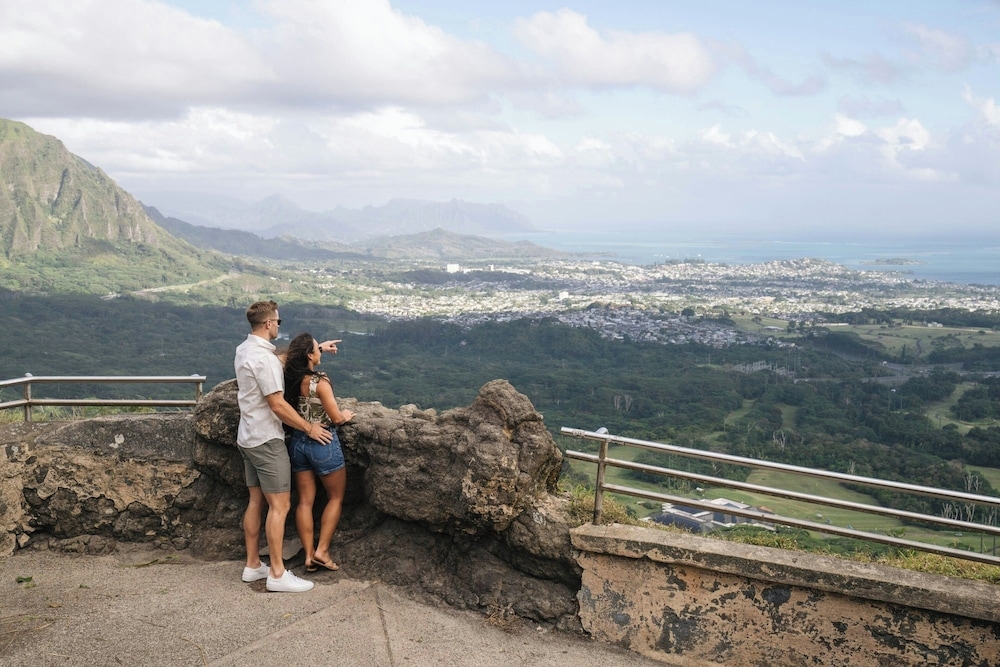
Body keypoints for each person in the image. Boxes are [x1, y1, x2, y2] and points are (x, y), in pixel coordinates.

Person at [234, 300, 336, 593]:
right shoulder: (264, 359)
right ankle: (277, 574)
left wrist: (316, 349)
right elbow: (277, 405)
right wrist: (309, 427)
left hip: (248, 437)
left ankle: (253, 564)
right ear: (268, 324)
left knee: (256, 501)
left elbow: (274, 359)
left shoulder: (246, 349)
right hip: (267, 439)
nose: (279, 325)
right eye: (277, 322)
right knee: (280, 506)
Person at [283, 332, 355, 572]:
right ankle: (322, 551)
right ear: (310, 355)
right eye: (317, 349)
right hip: (323, 441)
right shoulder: (320, 381)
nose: (320, 351)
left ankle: (307, 555)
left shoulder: (290, 376)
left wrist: (319, 347)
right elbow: (335, 417)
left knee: (304, 501)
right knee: (335, 497)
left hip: (298, 442)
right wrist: (344, 416)